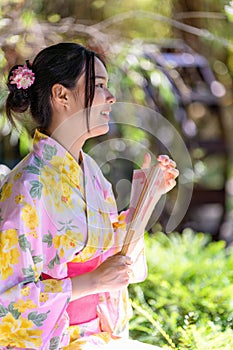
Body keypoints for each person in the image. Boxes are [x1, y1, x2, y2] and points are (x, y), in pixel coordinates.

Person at [0, 42, 178, 350]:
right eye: (99, 86)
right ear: (61, 95)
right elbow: (6, 301)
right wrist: (93, 282)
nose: (111, 97)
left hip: (95, 335)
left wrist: (149, 194)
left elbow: (111, 252)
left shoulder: (91, 172)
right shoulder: (27, 186)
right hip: (56, 340)